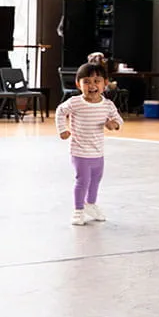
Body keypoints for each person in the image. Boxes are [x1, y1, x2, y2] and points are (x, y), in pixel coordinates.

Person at [55, 61, 123, 226]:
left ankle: (90, 204)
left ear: (105, 83)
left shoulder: (107, 105)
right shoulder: (75, 102)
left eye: (96, 81)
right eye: (86, 82)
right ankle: (78, 210)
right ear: (78, 84)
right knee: (83, 180)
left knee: (95, 180)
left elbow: (118, 119)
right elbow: (60, 111)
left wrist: (113, 124)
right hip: (79, 151)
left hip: (98, 152)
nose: (92, 86)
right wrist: (62, 130)